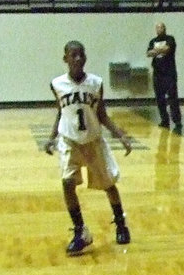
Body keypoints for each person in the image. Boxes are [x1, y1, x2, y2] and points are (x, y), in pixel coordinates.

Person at [44, 40, 132, 255]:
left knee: (109, 185)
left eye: (81, 54)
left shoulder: (96, 83)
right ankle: (80, 231)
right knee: (67, 183)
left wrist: (119, 134)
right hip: (69, 140)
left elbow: (102, 114)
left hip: (93, 140)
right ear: (65, 58)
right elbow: (61, 112)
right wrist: (52, 136)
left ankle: (121, 223)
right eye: (73, 55)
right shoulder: (57, 84)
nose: (78, 58)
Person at [146, 22, 182, 131]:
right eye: (157, 27)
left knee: (173, 98)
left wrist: (156, 51)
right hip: (157, 74)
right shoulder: (153, 41)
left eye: (161, 27)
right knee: (160, 99)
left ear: (164, 29)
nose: (159, 29)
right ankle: (164, 120)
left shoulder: (170, 39)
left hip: (169, 73)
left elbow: (167, 49)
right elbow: (148, 53)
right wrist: (159, 51)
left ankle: (177, 120)